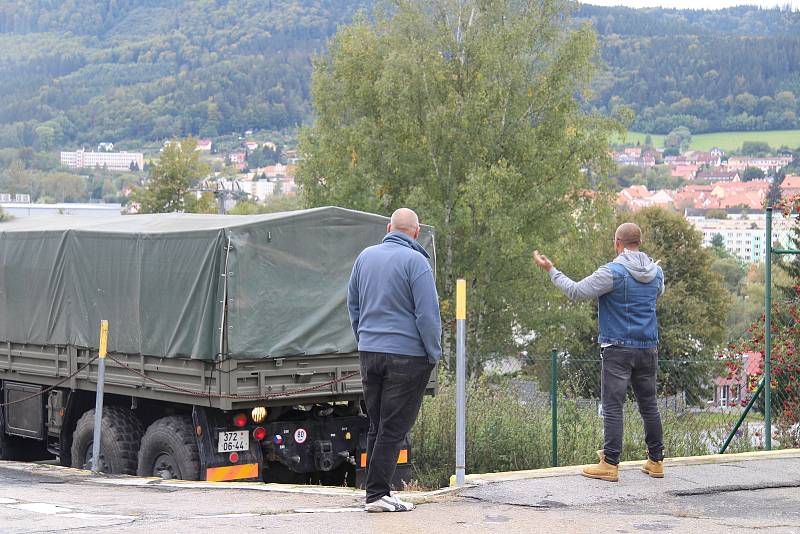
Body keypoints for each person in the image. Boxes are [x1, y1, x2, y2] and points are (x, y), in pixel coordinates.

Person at [533, 222, 665, 482]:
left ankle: (610, 463)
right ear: (639, 243)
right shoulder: (657, 272)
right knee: (649, 404)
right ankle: (656, 460)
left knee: (613, 406)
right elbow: (656, 293)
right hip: (648, 348)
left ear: (618, 243)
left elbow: (577, 291)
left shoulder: (612, 272)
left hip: (617, 348)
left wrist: (551, 270)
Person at [347, 207, 441, 512]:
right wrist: (433, 352)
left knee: (377, 424)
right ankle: (377, 495)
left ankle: (376, 491)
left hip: (369, 352)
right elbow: (427, 314)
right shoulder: (417, 262)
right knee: (394, 427)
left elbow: (353, 305)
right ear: (415, 232)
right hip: (407, 355)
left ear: (389, 228)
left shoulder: (364, 257)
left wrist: (365, 339)